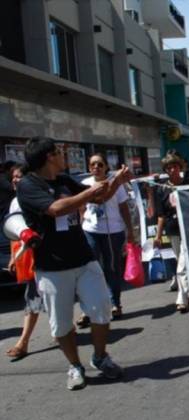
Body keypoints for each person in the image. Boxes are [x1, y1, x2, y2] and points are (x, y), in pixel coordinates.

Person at [17, 137, 130, 389]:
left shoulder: (64, 180)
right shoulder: (28, 185)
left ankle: (100, 357)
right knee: (61, 323)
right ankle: (75, 366)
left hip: (84, 259)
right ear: (49, 157)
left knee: (102, 309)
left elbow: (100, 198)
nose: (63, 156)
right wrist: (89, 192)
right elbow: (56, 208)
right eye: (59, 152)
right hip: (52, 267)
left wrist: (117, 181)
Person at [75, 153, 135, 328]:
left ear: (106, 167)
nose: (96, 167)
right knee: (89, 270)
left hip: (113, 232)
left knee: (111, 268)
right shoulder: (85, 184)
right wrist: (81, 226)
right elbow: (81, 208)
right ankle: (88, 310)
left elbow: (124, 208)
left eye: (100, 164)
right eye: (93, 164)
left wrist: (130, 231)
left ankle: (115, 303)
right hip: (90, 231)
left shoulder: (116, 183)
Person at [5, 164, 43, 360]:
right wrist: (15, 256)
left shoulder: (35, 199)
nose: (15, 180)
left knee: (34, 295)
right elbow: (15, 231)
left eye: (19, 176)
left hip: (40, 254)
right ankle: (63, 329)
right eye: (13, 177)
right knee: (36, 294)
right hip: (25, 255)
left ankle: (23, 342)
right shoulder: (14, 202)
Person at [154, 152, 189, 313]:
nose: (172, 170)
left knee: (182, 267)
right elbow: (161, 215)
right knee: (182, 263)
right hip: (173, 230)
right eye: (169, 168)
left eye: (175, 166)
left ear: (180, 167)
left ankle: (182, 299)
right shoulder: (162, 189)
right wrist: (158, 236)